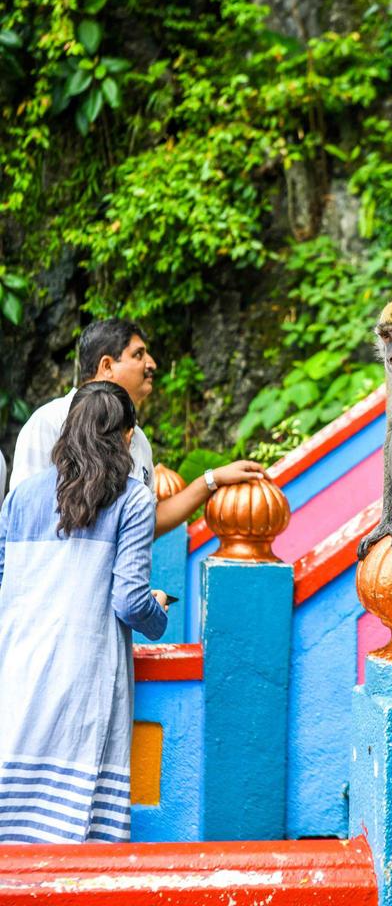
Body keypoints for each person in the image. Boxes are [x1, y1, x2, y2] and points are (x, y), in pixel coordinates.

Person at [0, 382, 168, 844]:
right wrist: (159, 615)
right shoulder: (133, 499)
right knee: (78, 842)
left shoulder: (19, 497)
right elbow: (130, 600)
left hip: (16, 670)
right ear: (128, 438)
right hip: (84, 675)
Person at [10, 319, 266, 536]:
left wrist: (211, 480)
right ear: (107, 366)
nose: (151, 364)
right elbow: (24, 515)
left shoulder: (137, 439)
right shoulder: (50, 423)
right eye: (138, 354)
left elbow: (146, 521)